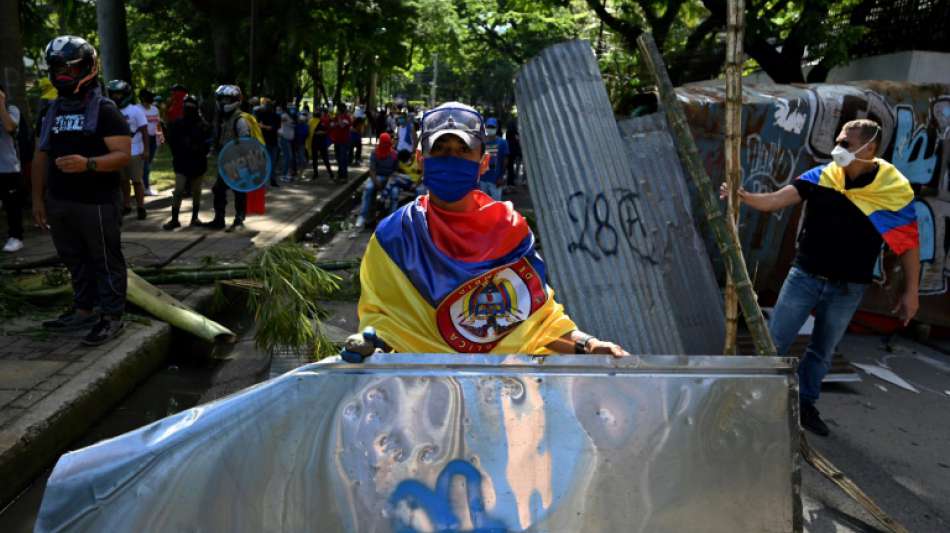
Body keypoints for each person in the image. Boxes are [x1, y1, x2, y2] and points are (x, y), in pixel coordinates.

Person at [357, 102, 627, 356]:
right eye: (440, 149)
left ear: (483, 162)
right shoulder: (394, 237)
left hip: (501, 395)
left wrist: (589, 346)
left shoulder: (509, 232)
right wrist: (370, 347)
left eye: (463, 150)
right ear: (420, 158)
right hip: (423, 394)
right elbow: (382, 324)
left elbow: (539, 325)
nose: (451, 159)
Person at [720, 119, 920, 436]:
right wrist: (742, 196)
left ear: (869, 148)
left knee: (821, 351)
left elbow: (908, 244)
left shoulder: (892, 189)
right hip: (805, 275)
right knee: (774, 342)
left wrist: (912, 292)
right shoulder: (821, 177)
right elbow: (774, 201)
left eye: (846, 144)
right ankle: (754, 402)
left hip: (849, 286)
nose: (837, 149)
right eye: (838, 141)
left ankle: (805, 405)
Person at [33, 35, 132, 346]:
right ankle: (84, 309)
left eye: (68, 68)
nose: (61, 74)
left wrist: (87, 164)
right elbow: (40, 155)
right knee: (74, 259)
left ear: (87, 68)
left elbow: (122, 155)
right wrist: (37, 198)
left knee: (105, 259)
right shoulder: (50, 109)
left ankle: (113, 316)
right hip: (60, 201)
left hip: (97, 203)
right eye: (56, 68)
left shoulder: (105, 109)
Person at [163, 95, 211, 230]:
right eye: (187, 106)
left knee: (196, 192)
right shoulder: (177, 124)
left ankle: (194, 217)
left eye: (192, 106)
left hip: (197, 162)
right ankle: (174, 219)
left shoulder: (202, 125)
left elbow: (207, 142)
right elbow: (172, 142)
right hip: (182, 162)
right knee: (178, 191)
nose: (189, 109)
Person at [207, 84, 250, 232]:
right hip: (225, 162)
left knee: (239, 191)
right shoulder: (224, 118)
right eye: (222, 99)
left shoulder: (240, 119)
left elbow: (246, 142)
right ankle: (219, 218)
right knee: (218, 190)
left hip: (238, 161)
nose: (224, 102)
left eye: (227, 99)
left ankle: (239, 218)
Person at [107, 80, 149, 220]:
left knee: (137, 181)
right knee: (123, 181)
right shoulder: (110, 110)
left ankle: (141, 207)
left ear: (125, 94)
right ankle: (126, 205)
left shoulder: (135, 110)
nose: (116, 97)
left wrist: (146, 150)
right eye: (113, 94)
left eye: (118, 94)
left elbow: (144, 131)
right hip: (117, 152)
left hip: (135, 151)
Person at [354, 132, 399, 229]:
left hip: (390, 178)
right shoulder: (375, 153)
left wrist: (390, 180)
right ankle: (363, 215)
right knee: (368, 188)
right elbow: (372, 170)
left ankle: (392, 220)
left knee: (395, 194)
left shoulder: (394, 155)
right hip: (377, 177)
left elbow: (396, 171)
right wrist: (376, 182)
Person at [0, 84, 25, 253]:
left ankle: (16, 237)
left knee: (12, 206)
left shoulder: (11, 110)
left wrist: (0, 104)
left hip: (8, 167)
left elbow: (10, 127)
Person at [137, 89, 162, 196]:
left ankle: (143, 185)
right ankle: (146, 188)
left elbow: (158, 124)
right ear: (142, 98)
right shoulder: (137, 109)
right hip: (142, 139)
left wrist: (160, 138)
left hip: (152, 139)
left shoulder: (155, 109)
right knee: (145, 164)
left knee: (148, 163)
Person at [478, 117, 508, 201]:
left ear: (497, 128)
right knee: (482, 204)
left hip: (495, 180)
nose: (490, 129)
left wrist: (501, 177)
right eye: (488, 127)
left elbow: (505, 161)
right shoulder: (481, 142)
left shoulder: (502, 142)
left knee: (496, 204)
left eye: (492, 127)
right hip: (482, 179)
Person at [254, 97, 281, 187]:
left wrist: (263, 126)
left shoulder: (266, 115)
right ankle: (269, 181)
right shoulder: (264, 115)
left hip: (268, 141)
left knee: (268, 163)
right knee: (269, 163)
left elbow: (272, 128)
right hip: (268, 141)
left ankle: (269, 181)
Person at [307, 108, 333, 180]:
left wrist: (321, 133)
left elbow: (327, 130)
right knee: (323, 158)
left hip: (317, 142)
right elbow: (328, 130)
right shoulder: (314, 121)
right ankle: (328, 173)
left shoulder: (311, 121)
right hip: (318, 142)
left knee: (318, 159)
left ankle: (319, 173)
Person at [329, 103, 352, 181]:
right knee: (338, 159)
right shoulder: (337, 117)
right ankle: (340, 175)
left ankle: (344, 176)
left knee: (343, 159)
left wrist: (338, 119)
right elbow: (331, 125)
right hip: (337, 141)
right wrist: (335, 121)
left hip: (344, 141)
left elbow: (342, 125)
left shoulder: (347, 117)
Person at [277, 105, 296, 181]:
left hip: (287, 138)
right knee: (287, 157)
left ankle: (287, 174)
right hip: (284, 138)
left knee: (288, 157)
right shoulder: (285, 116)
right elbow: (281, 120)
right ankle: (284, 175)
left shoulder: (289, 116)